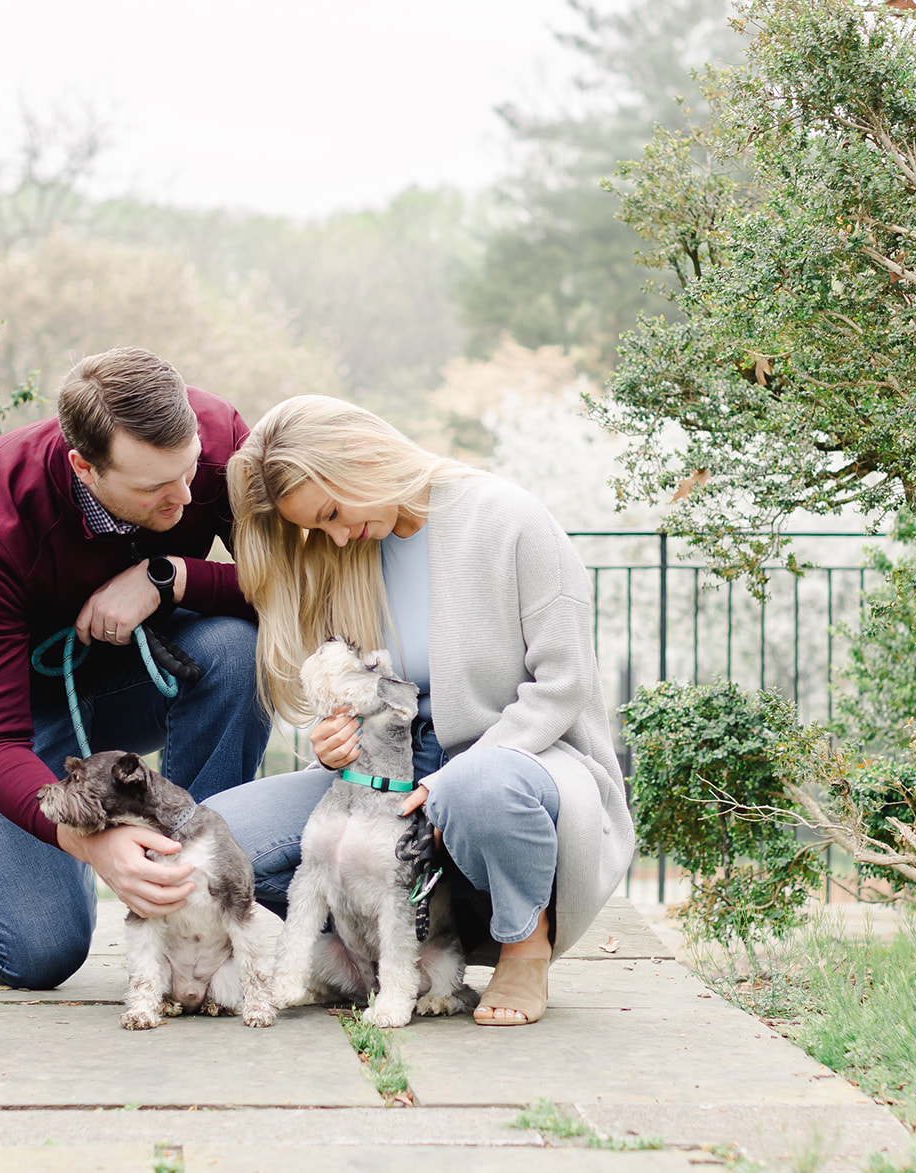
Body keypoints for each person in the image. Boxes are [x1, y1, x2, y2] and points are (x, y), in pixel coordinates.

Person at [204, 395, 635, 1025]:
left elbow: (563, 684)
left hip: (523, 759)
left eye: (330, 512)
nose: (336, 535)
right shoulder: (348, 551)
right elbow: (354, 683)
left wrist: (448, 780)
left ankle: (524, 942)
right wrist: (333, 737)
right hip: (387, 777)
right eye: (317, 528)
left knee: (478, 789)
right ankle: (379, 948)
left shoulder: (506, 517)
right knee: (217, 838)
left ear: (357, 455)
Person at [0, 347, 272, 988]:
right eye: (156, 487)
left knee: (237, 651)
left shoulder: (216, 443)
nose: (186, 496)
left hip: (132, 664)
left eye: (188, 472)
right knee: (40, 952)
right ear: (83, 466)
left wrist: (171, 576)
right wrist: (94, 844)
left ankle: (197, 902)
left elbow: (289, 588)